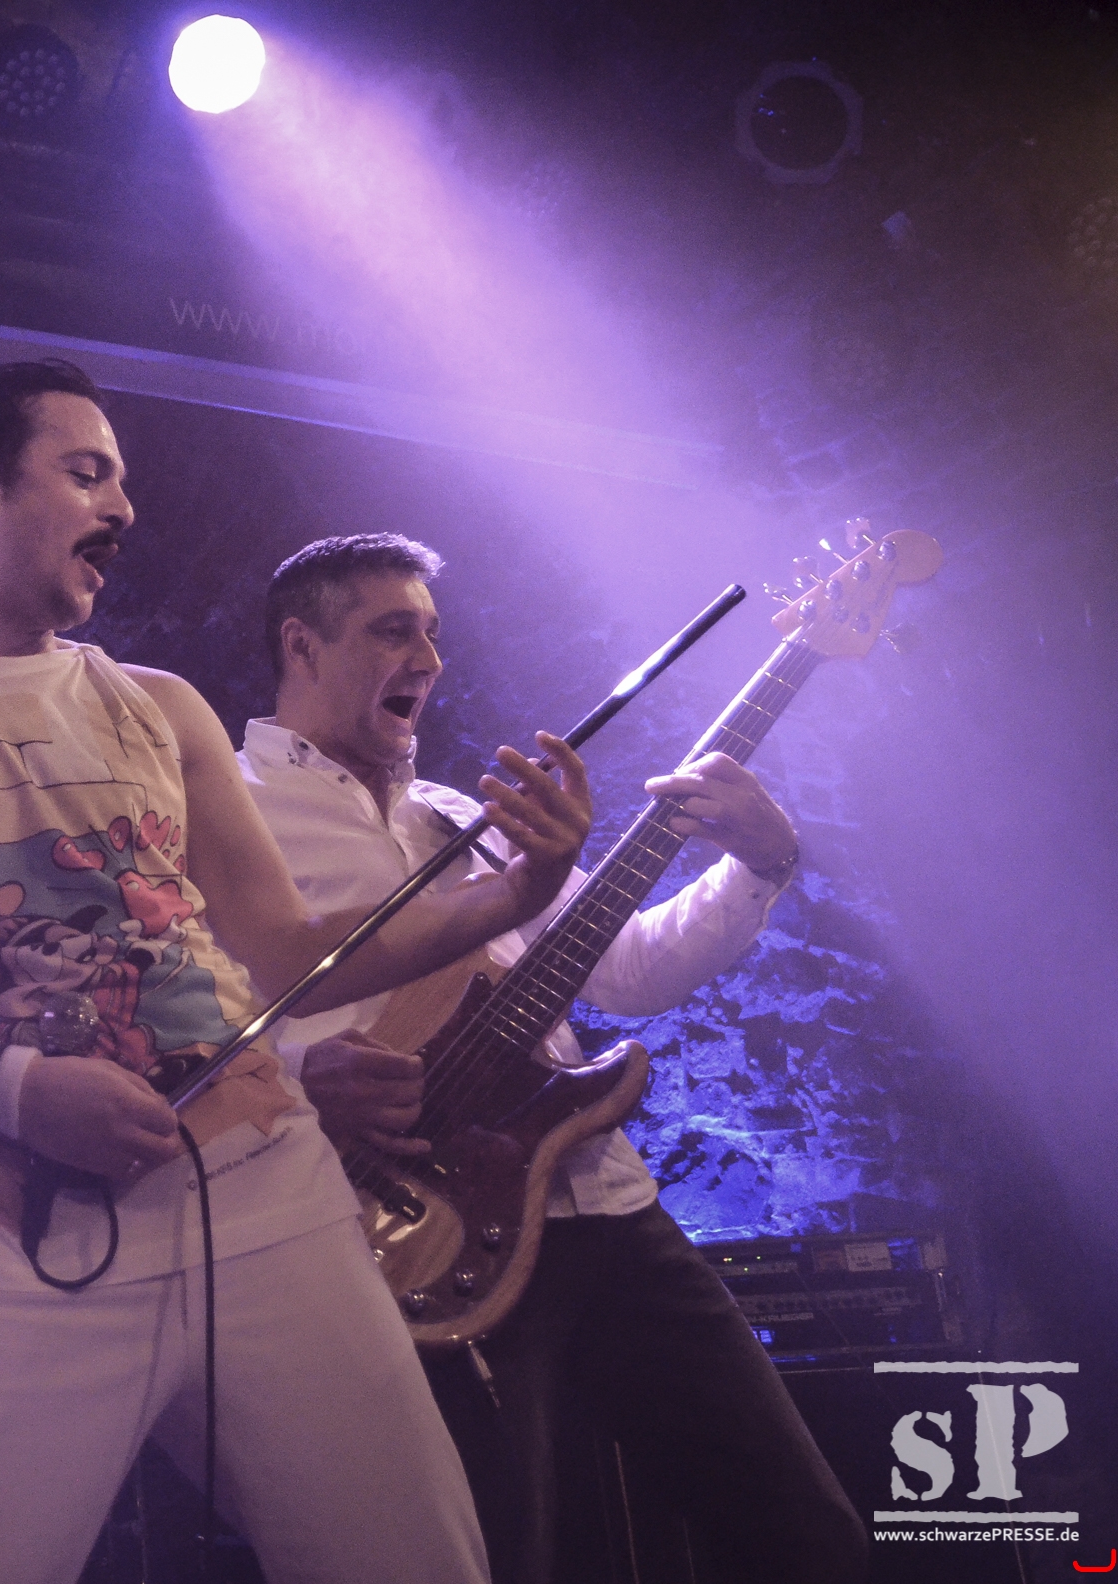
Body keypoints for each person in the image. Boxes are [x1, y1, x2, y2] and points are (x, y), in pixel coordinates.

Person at [0, 360, 599, 1584]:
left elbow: (292, 954)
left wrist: (513, 894)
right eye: (85, 473)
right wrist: (11, 1089)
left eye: (122, 481)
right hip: (4, 1242)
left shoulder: (160, 706)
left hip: (268, 1200)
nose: (124, 508)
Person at [237, 533, 864, 1584]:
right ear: (301, 646)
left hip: (600, 1209)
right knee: (503, 1552)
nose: (428, 660)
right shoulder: (226, 817)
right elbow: (177, 1023)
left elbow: (628, 970)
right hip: (408, 1233)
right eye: (393, 632)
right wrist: (299, 1083)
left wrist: (761, 863)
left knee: (805, 1534)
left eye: (432, 634)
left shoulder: (460, 818)